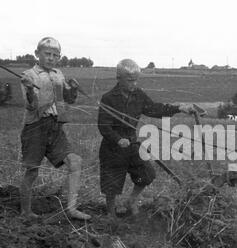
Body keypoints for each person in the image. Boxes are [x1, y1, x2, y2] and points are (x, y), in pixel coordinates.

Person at [98, 59, 195, 220]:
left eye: (136, 80)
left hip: (132, 144)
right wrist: (117, 139)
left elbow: (155, 109)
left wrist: (178, 108)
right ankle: (111, 213)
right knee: (112, 184)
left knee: (147, 173)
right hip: (112, 148)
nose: (134, 84)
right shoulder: (108, 98)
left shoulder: (139, 95)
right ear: (119, 78)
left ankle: (132, 201)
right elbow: (104, 126)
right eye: (130, 80)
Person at [19, 37, 91, 220]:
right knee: (32, 171)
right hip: (35, 127)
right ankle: (25, 212)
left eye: (55, 55)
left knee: (75, 162)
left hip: (55, 127)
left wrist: (72, 89)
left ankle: (71, 209)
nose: (51, 58)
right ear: (37, 54)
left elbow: (68, 100)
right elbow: (32, 107)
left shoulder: (59, 74)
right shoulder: (29, 76)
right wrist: (28, 89)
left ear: (59, 57)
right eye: (47, 54)